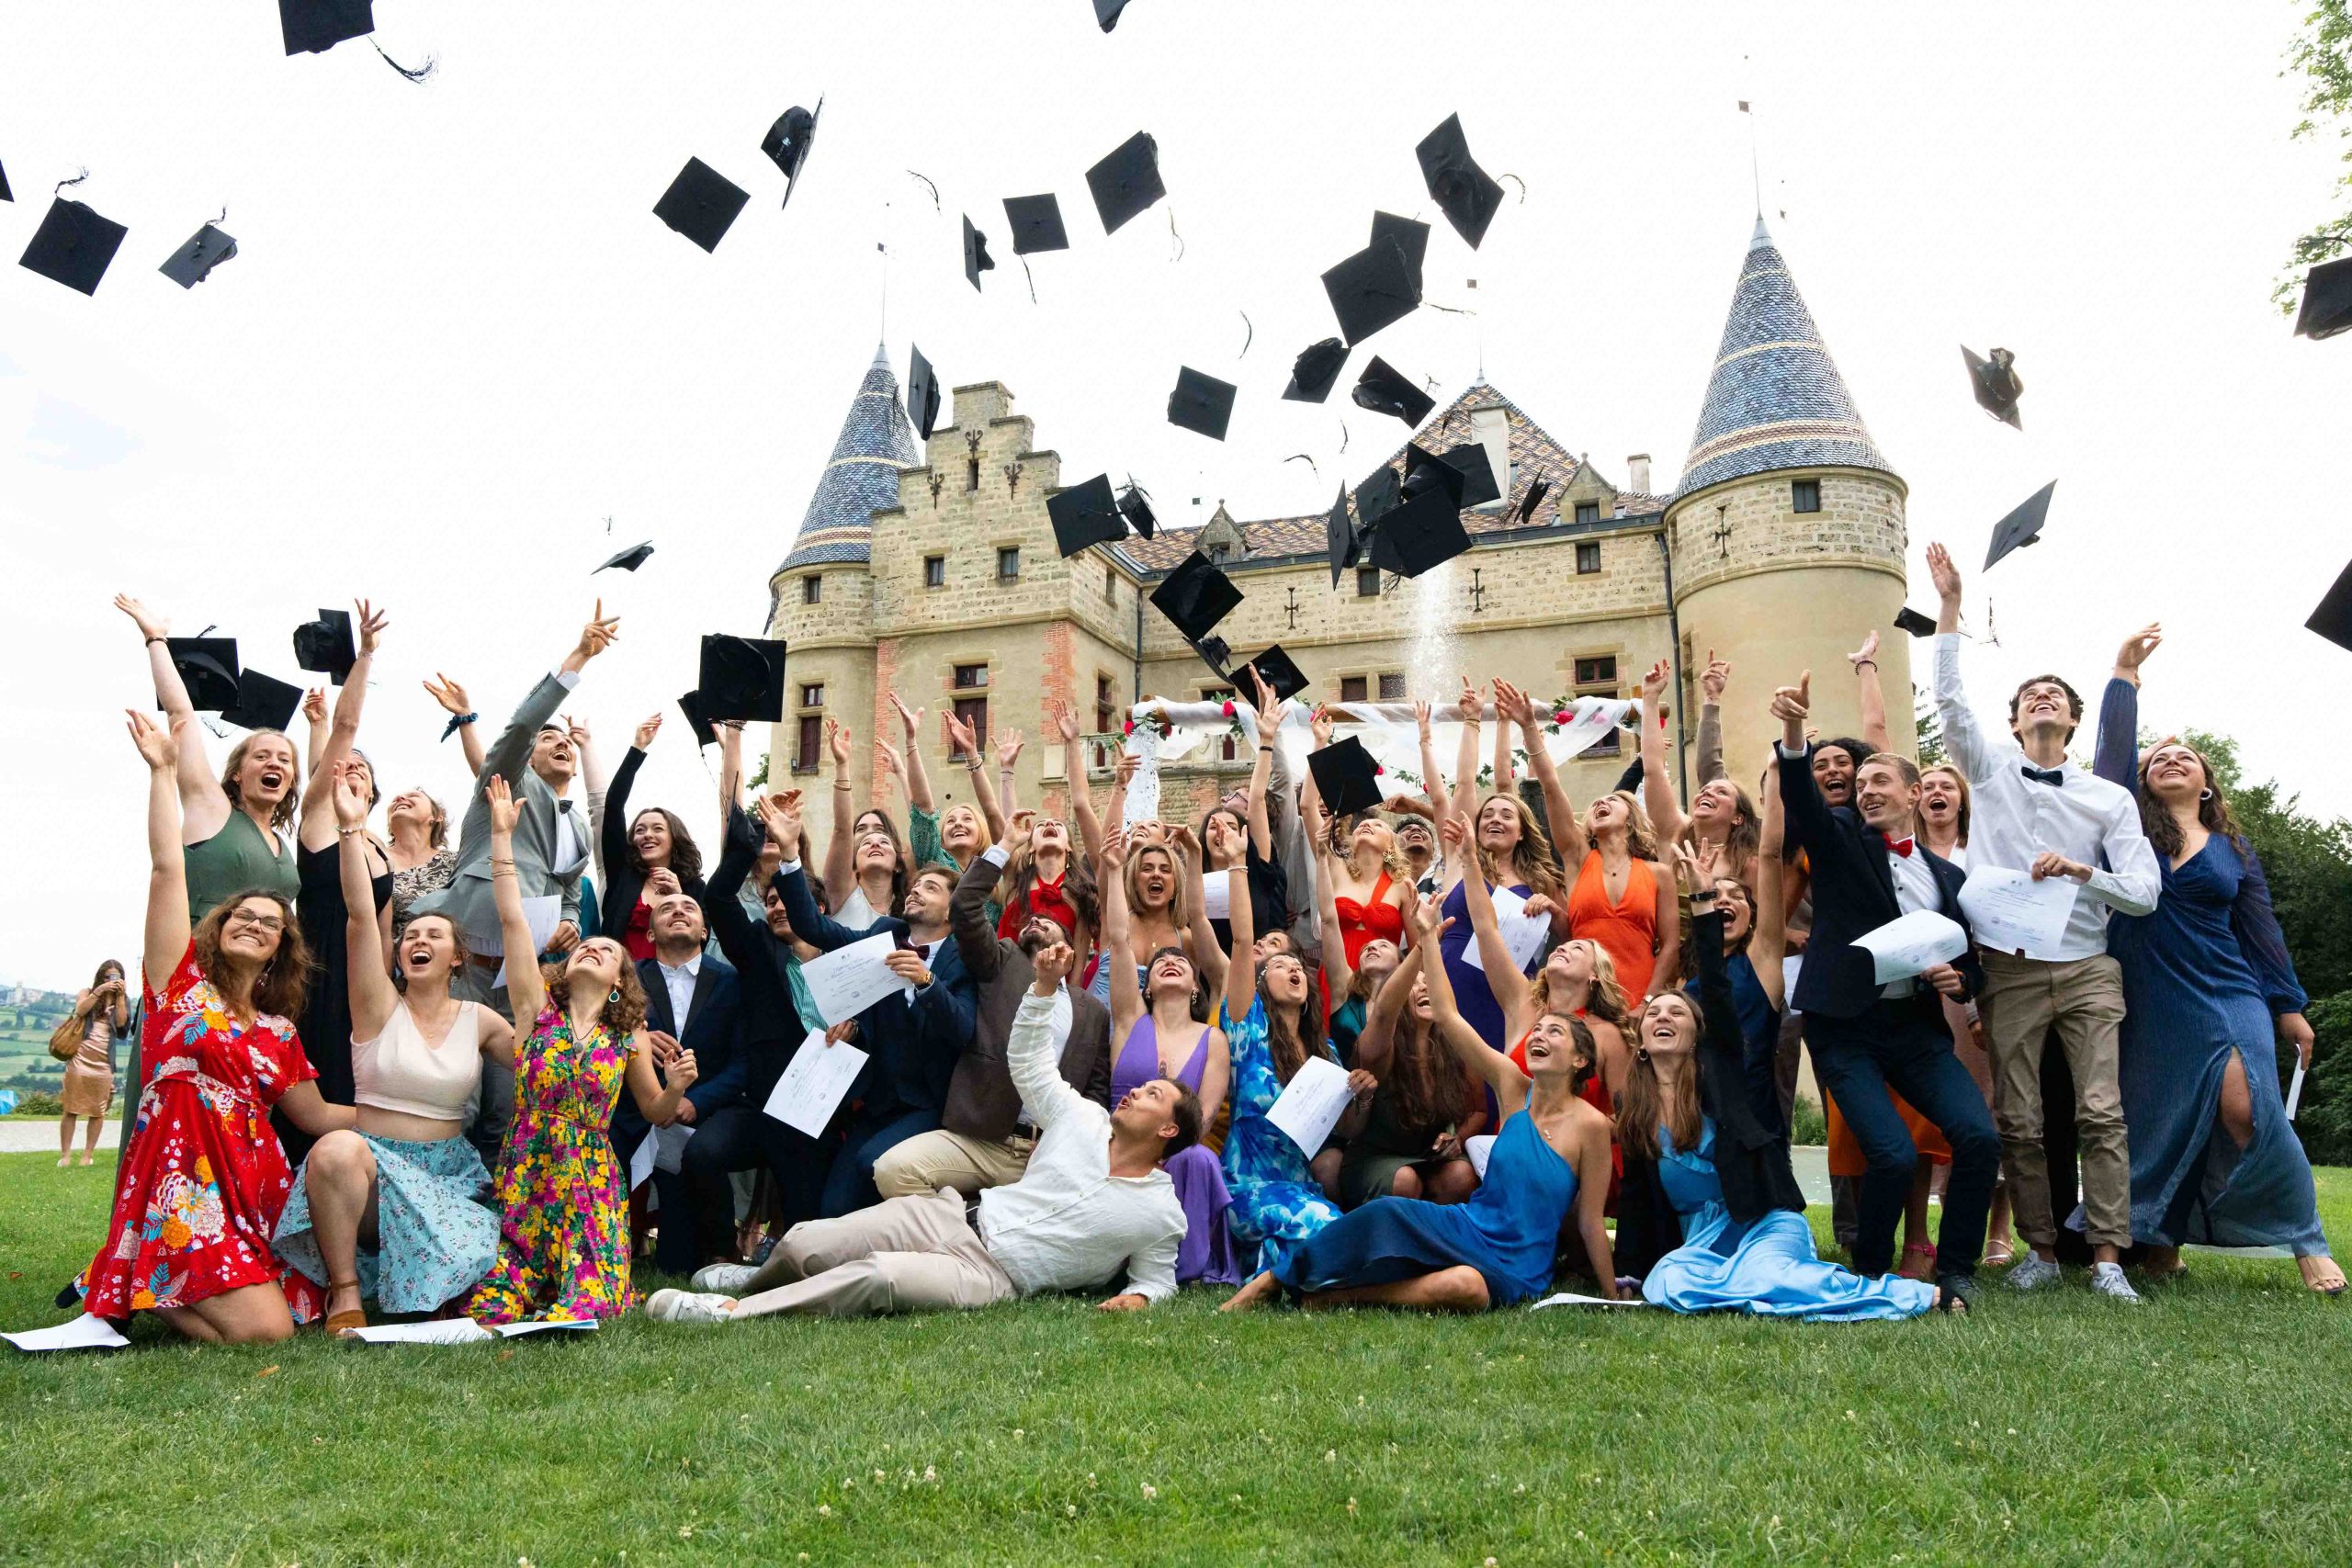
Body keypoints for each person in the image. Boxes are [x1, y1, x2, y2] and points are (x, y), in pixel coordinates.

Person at [643, 940, 1195, 1322]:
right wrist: (1044, 991)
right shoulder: (1082, 1118)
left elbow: (1157, 1276)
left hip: (992, 1276)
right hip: (953, 1214)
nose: (1133, 1091)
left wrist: (1144, 1297)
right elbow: (1027, 1064)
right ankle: (751, 1278)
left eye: (1151, 1095)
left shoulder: (1160, 1213)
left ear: (1170, 1129)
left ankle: (734, 1311)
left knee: (877, 1276)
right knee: (809, 1241)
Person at [70, 711, 355, 1344]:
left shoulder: (279, 1032)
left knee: (289, 1313)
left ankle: (134, 1277)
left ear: (283, 946)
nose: (255, 922)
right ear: (217, 927)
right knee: (268, 1332)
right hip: (183, 1181)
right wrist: (162, 773)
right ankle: (144, 1275)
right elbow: (167, 870)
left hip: (248, 1190)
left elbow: (318, 1115)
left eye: (270, 921)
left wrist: (412, 1119)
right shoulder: (178, 990)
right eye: (241, 915)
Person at [1928, 542, 2161, 1302]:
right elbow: (1951, 702)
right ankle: (2039, 1249)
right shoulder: (1989, 768)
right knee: (2018, 1116)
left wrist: (2081, 870)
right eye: (2030, 694)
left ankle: (2107, 1261)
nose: (2041, 699)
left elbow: (2144, 891)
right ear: (2015, 717)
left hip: (2089, 966)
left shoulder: (2107, 799)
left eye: (2054, 694)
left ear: (2072, 716)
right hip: (2011, 968)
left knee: (2101, 1110)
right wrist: (1952, 607)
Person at [2092, 626, 2343, 1292]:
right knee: (2165, 1111)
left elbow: (2261, 932)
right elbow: (2112, 758)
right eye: (2159, 757)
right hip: (2147, 990)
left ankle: (2305, 1239)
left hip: (2229, 988)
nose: (2172, 759)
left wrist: (2287, 1006)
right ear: (2142, 782)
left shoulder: (2234, 848)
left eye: (2187, 756)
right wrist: (2123, 674)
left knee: (2247, 1107)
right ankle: (2163, 1240)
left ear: (2206, 783)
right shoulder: (2130, 826)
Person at [1223, 895, 1616, 1313]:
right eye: (1538, 1031)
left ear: (1580, 1059)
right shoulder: (1512, 1086)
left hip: (1521, 1264)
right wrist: (1427, 937)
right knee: (1390, 1211)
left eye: (1555, 1033)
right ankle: (1274, 1278)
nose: (1538, 1036)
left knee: (1469, 1287)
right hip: (1468, 1226)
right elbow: (1448, 1015)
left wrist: (1612, 1294)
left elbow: (1592, 1221)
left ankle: (1337, 1297)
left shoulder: (1592, 1127)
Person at [1617, 848, 1950, 1319]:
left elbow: (1714, 986)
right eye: (1654, 1013)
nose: (1664, 1016)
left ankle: (1907, 1296)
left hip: (1765, 1223)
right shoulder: (1634, 1108)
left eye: (1677, 1011)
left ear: (1699, 1035)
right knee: (1665, 1282)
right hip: (1702, 1243)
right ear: (1643, 1042)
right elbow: (1636, 1199)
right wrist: (1629, 1270)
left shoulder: (1724, 1075)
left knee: (1764, 1274)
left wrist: (1704, 900)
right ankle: (1757, 1295)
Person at [1770, 671, 2000, 1302]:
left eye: (1878, 780)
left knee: (1979, 1138)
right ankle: (1870, 1272)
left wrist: (1961, 980)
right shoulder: (1841, 838)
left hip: (1914, 1031)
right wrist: (1793, 734)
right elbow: (1805, 799)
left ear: (1915, 792)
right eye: (1860, 781)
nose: (1865, 789)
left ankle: (1956, 1271)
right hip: (1845, 1028)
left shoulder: (1948, 876)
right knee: (1893, 1154)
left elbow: (1972, 959)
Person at [274, 760, 514, 1333]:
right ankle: (345, 1291)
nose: (417, 941)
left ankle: (429, 1270)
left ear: (458, 957)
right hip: (372, 1170)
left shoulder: (480, 1019)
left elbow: (543, 1062)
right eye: (409, 936)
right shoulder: (378, 1004)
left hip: (450, 1175)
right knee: (333, 1150)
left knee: (477, 1272)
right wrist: (353, 828)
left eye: (434, 934)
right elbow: (361, 918)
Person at [469, 776, 695, 1325]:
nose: (593, 947)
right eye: (587, 945)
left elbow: (655, 1113)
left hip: (590, 1173)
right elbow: (512, 919)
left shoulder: (627, 1036)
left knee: (589, 1299)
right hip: (527, 1163)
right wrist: (502, 838)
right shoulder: (533, 1012)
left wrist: (677, 1089)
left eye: (608, 949)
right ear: (566, 968)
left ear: (619, 980)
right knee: (498, 1295)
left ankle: (583, 1283)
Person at [412, 604, 618, 1165]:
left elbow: (572, 891)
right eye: (549, 740)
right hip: (465, 973)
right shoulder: (504, 783)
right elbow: (523, 724)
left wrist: (573, 922)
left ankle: (495, 1223)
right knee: (455, 1101)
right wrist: (577, 659)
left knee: (507, 1108)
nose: (560, 743)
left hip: (521, 984)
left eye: (567, 743)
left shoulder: (576, 824)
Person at [868, 818, 1114, 1201]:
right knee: (892, 1170)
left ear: (1069, 942)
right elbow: (965, 906)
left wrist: (1072, 1142)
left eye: (1047, 922)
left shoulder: (1093, 1012)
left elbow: (1096, 1090)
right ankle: (958, 1233)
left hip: (1049, 1153)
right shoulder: (1000, 961)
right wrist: (1005, 845)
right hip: (979, 1139)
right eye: (1030, 920)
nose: (1036, 921)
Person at [763, 794, 978, 1217]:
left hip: (932, 1107)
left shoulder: (965, 958)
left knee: (871, 1166)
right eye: (915, 887)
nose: (916, 891)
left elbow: (964, 1030)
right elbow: (813, 926)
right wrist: (789, 854)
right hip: (876, 1105)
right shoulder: (883, 936)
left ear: (952, 911)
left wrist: (926, 982)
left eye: (930, 888)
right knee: (832, 1208)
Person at [1100, 827, 1239, 1284]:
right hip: (1118, 1145)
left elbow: (1199, 1121)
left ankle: (1185, 1267)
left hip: (1178, 1149)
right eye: (1159, 963)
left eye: (1178, 960)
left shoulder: (1213, 1039)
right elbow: (1118, 939)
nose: (1170, 961)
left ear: (1196, 984)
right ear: (1147, 984)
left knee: (1197, 1159)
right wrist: (1117, 867)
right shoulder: (1128, 1022)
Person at [286, 602, 394, 1168]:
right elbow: (343, 732)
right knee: (313, 1096)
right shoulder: (319, 821)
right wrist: (367, 654)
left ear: (373, 791)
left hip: (363, 990)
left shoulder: (378, 849)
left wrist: (389, 997)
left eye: (362, 770)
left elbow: (385, 930)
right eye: (342, 766)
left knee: (359, 1097)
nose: (350, 770)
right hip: (314, 976)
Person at [1218, 836, 1345, 1278]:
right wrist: (1237, 863)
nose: (1292, 969)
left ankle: (1269, 1271)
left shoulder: (1325, 1052)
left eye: (1298, 967)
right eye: (1278, 966)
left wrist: (1360, 1094)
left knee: (1331, 1229)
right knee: (1327, 1229)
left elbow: (1343, 1128)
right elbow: (1240, 941)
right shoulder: (1246, 1029)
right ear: (1258, 984)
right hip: (1246, 1188)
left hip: (1301, 1185)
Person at [614, 890, 748, 1275]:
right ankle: (605, 1250)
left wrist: (696, 1102)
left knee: (678, 1261)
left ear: (704, 931)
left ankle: (723, 1250)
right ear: (651, 933)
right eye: (666, 908)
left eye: (689, 907)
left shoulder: (731, 981)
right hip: (636, 1113)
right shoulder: (625, 981)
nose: (678, 911)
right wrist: (635, 1036)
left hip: (707, 1114)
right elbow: (601, 1028)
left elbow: (744, 1062)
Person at [1431, 685, 1569, 1047]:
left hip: (1510, 997)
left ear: (1522, 831)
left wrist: (1552, 909)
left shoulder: (1540, 878)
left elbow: (1569, 934)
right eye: (1486, 815)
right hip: (1452, 985)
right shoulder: (1462, 862)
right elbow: (1464, 784)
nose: (1494, 819)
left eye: (1506, 815)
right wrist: (1473, 719)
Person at [1331, 919, 1483, 1212]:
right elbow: (1384, 1013)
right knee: (1405, 1181)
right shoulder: (1377, 1044)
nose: (1424, 989)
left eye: (1428, 985)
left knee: (1461, 1176)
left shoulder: (1455, 1046)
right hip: (1376, 1159)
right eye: (1413, 986)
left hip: (1430, 1159)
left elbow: (1479, 1110)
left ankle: (1434, 1249)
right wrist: (1423, 943)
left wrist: (1457, 1139)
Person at [596, 712, 708, 962]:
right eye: (640, 830)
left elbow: (703, 937)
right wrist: (638, 748)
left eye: (657, 829)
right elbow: (613, 806)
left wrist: (678, 896)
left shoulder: (694, 887)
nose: (647, 835)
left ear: (674, 838)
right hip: (624, 986)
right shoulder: (622, 873)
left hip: (673, 984)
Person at [58, 961, 130, 1167]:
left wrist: (120, 999)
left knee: (98, 1110)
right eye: (108, 977)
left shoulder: (122, 999)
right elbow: (80, 1011)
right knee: (70, 1108)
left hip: (104, 1062)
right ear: (100, 977)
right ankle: (65, 1155)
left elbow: (122, 1026)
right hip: (81, 1057)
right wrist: (99, 992)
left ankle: (87, 1155)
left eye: (116, 977)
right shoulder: (88, 992)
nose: (111, 981)